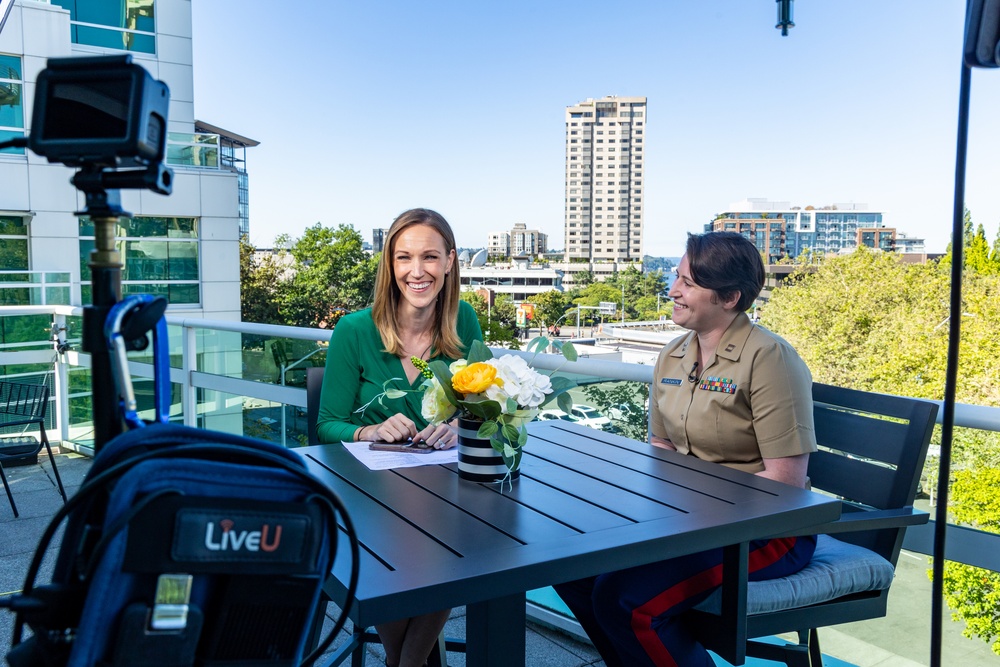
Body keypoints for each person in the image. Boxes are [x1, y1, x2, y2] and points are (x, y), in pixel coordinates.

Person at [555, 231, 817, 667]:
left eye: (688, 283)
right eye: (676, 278)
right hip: (684, 523)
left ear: (730, 296)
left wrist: (694, 507)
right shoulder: (673, 354)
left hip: (764, 532)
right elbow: (660, 446)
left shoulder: (770, 358)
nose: (673, 290)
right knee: (570, 567)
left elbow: (785, 484)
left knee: (627, 600)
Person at [317, 208, 483, 667]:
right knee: (405, 541)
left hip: (445, 493)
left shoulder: (464, 321)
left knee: (458, 535)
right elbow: (327, 423)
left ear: (450, 262)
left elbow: (477, 409)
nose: (417, 270)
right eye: (404, 257)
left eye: (430, 257)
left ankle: (401, 664)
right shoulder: (354, 330)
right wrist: (370, 429)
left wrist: (456, 426)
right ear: (389, 264)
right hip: (370, 495)